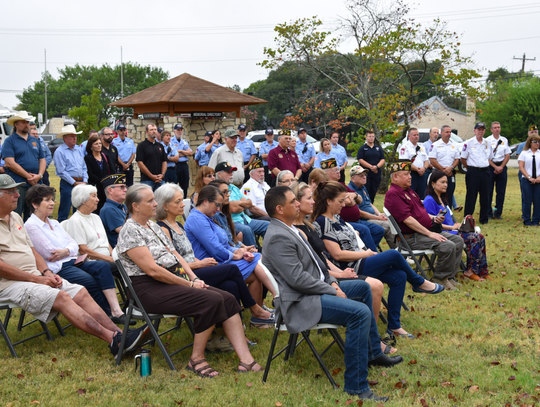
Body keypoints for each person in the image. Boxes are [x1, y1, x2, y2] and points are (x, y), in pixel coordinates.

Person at [262, 186, 403, 403]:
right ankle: (356, 386)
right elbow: (297, 280)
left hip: (315, 290)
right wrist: (332, 289)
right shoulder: (278, 236)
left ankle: (373, 352)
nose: (298, 204)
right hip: (301, 301)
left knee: (363, 287)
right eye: (293, 202)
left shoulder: (293, 228)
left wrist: (334, 282)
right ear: (280, 209)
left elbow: (319, 266)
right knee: (360, 313)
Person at [116, 184, 262, 375]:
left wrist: (194, 278)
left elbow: (175, 254)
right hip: (148, 289)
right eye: (150, 200)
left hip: (171, 279)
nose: (155, 203)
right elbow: (152, 271)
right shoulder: (130, 230)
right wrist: (189, 283)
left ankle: (246, 360)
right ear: (135, 206)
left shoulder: (152, 226)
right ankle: (196, 359)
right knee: (212, 300)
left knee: (227, 297)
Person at [0, 175, 150, 358]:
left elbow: (33, 251)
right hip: (9, 283)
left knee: (80, 291)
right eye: (11, 192)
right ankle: (113, 340)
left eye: (16, 191)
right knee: (62, 295)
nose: (17, 195)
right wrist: (37, 278)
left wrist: (46, 272)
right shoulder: (30, 222)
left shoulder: (15, 217)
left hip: (38, 274)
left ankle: (120, 333)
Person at [312, 181, 444, 337]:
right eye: (340, 201)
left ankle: (394, 326)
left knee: (399, 276)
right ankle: (418, 282)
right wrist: (366, 254)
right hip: (348, 268)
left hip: (359, 261)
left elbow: (352, 245)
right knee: (394, 254)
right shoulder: (322, 222)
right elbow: (337, 254)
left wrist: (366, 253)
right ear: (328, 201)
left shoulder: (336, 218)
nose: (343, 205)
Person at [290, 181, 398, 354]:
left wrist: (340, 273)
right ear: (296, 202)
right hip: (321, 284)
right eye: (309, 198)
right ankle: (372, 340)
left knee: (393, 276)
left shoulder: (307, 225)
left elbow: (322, 258)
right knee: (381, 276)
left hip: (332, 273)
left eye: (313, 197)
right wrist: (337, 275)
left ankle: (373, 338)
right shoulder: (298, 230)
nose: (313, 201)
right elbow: (314, 267)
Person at [154, 183, 274, 328]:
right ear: (165, 206)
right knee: (245, 265)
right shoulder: (170, 227)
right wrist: (198, 267)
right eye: (178, 201)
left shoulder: (180, 225)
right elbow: (171, 264)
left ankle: (238, 325)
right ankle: (265, 304)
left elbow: (191, 253)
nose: (183, 204)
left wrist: (239, 249)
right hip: (191, 273)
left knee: (235, 282)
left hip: (202, 267)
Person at [24, 184, 131, 325]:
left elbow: (74, 245)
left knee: (102, 267)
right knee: (89, 280)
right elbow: (49, 252)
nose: (52, 203)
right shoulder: (31, 225)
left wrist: (66, 251)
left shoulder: (54, 222)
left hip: (74, 261)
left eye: (52, 199)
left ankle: (117, 311)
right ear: (34, 204)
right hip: (58, 268)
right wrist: (68, 250)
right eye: (47, 200)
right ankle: (106, 315)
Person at [185, 185, 277, 312]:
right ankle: (276, 297)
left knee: (256, 273)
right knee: (258, 258)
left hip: (221, 261)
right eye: (217, 205)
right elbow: (215, 248)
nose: (218, 209)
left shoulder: (207, 218)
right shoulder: (197, 219)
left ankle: (260, 313)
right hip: (211, 265)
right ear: (205, 201)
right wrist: (234, 255)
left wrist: (240, 251)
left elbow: (225, 243)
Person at [384, 160, 465, 291]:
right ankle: (440, 278)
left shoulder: (409, 191)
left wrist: (435, 218)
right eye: (406, 174)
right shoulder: (394, 194)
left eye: (410, 173)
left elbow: (421, 213)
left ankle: (449, 277)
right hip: (411, 238)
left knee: (458, 240)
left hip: (422, 233)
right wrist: (429, 233)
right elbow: (408, 220)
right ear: (395, 177)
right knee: (447, 245)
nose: (410, 176)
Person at [424, 170, 489, 281]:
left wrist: (457, 225)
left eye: (446, 182)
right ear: (433, 184)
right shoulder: (429, 200)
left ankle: (482, 271)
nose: (445, 184)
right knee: (473, 238)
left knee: (480, 237)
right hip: (442, 233)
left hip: (453, 231)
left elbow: (447, 220)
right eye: (442, 182)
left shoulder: (443, 198)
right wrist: (452, 227)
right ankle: (470, 271)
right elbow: (430, 224)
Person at [318, 158, 384, 252]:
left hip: (357, 220)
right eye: (335, 170)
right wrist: (353, 199)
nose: (339, 171)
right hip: (343, 222)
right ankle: (372, 255)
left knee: (379, 230)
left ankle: (362, 251)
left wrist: (355, 195)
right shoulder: (328, 188)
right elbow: (347, 202)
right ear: (326, 173)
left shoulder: (341, 184)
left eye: (338, 169)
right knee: (364, 230)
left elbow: (359, 200)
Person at [3, 112, 46, 219]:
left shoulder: (35, 140)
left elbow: (42, 160)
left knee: (33, 214)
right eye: (23, 122)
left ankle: (30, 235)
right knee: (15, 214)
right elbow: (9, 162)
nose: (26, 124)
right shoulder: (9, 141)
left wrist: (39, 175)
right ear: (16, 124)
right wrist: (28, 176)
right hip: (18, 184)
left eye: (27, 122)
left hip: (35, 183)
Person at [215, 162, 269, 246]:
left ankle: (267, 252)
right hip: (232, 221)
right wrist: (242, 203)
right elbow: (233, 208)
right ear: (219, 174)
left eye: (231, 172)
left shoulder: (234, 187)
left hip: (246, 219)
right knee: (246, 230)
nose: (231, 174)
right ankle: (254, 255)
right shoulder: (216, 189)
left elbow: (249, 203)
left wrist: (238, 204)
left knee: (268, 225)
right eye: (228, 172)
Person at [348, 165, 397, 249]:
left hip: (373, 217)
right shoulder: (351, 191)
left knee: (394, 220)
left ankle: (401, 250)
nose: (364, 177)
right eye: (361, 176)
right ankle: (399, 252)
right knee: (389, 226)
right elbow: (359, 212)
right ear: (353, 179)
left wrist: (379, 214)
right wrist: (377, 218)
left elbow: (369, 203)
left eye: (365, 175)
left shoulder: (362, 187)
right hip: (364, 220)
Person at [460, 122, 494, 225]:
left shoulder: (487, 143)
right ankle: (468, 218)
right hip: (473, 172)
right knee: (471, 195)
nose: (481, 131)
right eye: (479, 129)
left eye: (483, 129)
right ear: (475, 131)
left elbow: (490, 157)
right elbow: (463, 159)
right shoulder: (468, 143)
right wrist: (470, 168)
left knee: (485, 196)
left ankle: (484, 219)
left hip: (485, 171)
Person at [53, 125, 88, 223]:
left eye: (75, 136)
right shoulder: (60, 152)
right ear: (65, 138)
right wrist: (74, 182)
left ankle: (77, 229)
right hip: (68, 184)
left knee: (80, 209)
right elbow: (61, 171)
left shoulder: (79, 149)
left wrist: (85, 180)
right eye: (72, 136)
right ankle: (61, 231)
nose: (75, 138)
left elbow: (84, 167)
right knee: (65, 210)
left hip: (81, 182)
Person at [429, 125, 460, 211]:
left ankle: (449, 215)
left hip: (450, 174)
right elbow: (432, 160)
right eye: (447, 132)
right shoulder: (435, 145)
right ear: (441, 133)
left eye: (450, 132)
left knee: (449, 195)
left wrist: (451, 168)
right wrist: (443, 170)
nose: (449, 134)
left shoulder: (454, 145)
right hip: (439, 174)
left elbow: (457, 159)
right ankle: (439, 214)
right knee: (439, 195)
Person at [486, 122, 511, 220]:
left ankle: (498, 212)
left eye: (498, 127)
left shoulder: (504, 140)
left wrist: (501, 166)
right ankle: (488, 212)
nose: (497, 129)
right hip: (491, 166)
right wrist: (495, 167)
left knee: (501, 191)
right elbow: (486, 156)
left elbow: (507, 155)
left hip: (502, 166)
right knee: (489, 191)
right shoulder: (487, 140)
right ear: (491, 129)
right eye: (495, 128)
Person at [84, 134, 111, 214]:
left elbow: (110, 170)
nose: (99, 145)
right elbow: (90, 174)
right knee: (96, 209)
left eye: (100, 143)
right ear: (91, 146)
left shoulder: (105, 156)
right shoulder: (88, 158)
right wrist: (102, 180)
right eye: (96, 144)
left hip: (105, 188)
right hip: (95, 188)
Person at [399, 128, 429, 199]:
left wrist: (424, 169)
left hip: (422, 175)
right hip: (411, 175)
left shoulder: (421, 147)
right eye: (414, 135)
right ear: (409, 136)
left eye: (417, 135)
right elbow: (405, 162)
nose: (416, 136)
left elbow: (426, 160)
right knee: (411, 196)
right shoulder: (405, 147)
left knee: (422, 196)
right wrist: (418, 169)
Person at [99, 174, 128, 248]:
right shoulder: (108, 209)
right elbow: (126, 232)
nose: (125, 190)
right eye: (121, 187)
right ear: (110, 190)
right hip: (121, 249)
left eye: (125, 187)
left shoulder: (123, 206)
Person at [356, 130, 385, 202]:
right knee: (366, 191)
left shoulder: (378, 148)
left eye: (373, 136)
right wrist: (371, 167)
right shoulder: (362, 148)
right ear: (366, 137)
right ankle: (365, 206)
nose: (371, 138)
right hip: (366, 174)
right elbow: (360, 160)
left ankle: (371, 206)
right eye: (369, 136)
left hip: (376, 174)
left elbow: (382, 159)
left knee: (373, 191)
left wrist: (377, 167)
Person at [136, 124, 167, 191]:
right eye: (151, 130)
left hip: (160, 180)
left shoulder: (160, 145)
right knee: (147, 200)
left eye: (155, 129)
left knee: (161, 200)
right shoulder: (141, 146)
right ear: (146, 132)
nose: (154, 131)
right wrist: (151, 176)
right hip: (147, 180)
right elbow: (140, 163)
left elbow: (164, 161)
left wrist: (162, 174)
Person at [518, 133, 540, 226]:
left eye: (538, 142)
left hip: (538, 181)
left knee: (537, 201)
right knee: (527, 201)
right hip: (527, 180)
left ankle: (536, 221)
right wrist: (529, 177)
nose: (537, 143)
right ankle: (527, 220)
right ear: (530, 142)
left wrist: (539, 178)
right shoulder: (524, 153)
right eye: (535, 142)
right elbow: (521, 167)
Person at [170, 123, 193, 197]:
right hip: (175, 165)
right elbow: (173, 155)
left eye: (181, 130)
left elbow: (190, 153)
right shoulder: (171, 141)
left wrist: (180, 151)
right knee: (173, 186)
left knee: (184, 186)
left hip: (184, 165)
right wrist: (182, 153)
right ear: (174, 131)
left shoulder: (184, 142)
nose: (180, 132)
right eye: (178, 130)